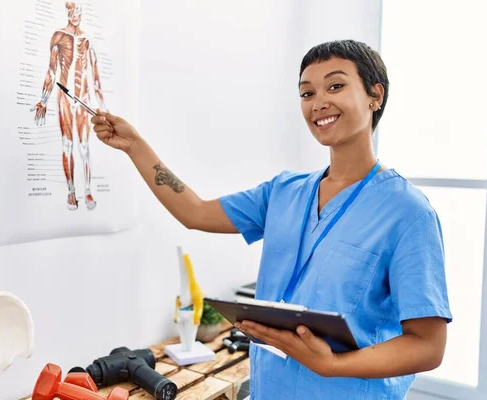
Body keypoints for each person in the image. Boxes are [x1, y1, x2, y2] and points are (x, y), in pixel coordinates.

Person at [90, 40, 452, 399]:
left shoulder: (408, 213)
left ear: (375, 95)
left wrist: (331, 365)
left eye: (336, 86)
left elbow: (428, 346)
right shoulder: (283, 192)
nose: (318, 102)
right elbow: (195, 212)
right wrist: (135, 146)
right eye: (306, 93)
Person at [31, 1, 106, 211]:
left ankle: (88, 190)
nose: (75, 14)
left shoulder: (88, 40)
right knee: (67, 145)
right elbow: (51, 70)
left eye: (78, 10)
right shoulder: (58, 36)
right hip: (64, 97)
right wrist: (43, 100)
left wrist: (104, 110)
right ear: (67, 12)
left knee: (84, 147)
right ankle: (71, 192)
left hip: (82, 99)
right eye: (71, 10)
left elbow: (96, 79)